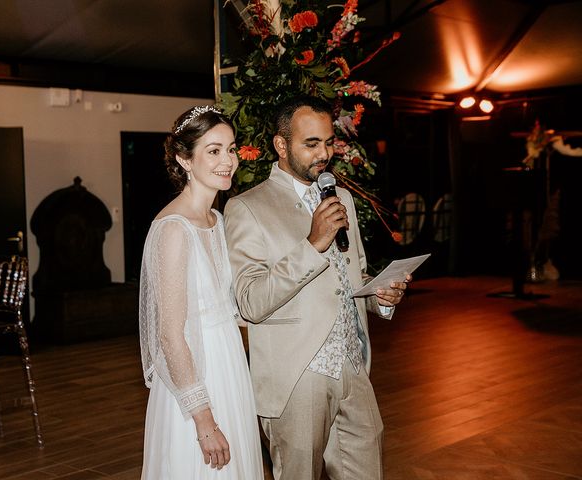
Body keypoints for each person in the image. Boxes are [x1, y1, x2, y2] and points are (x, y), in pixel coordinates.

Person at [223, 96, 409, 480]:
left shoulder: (342, 200)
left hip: (353, 367)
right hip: (296, 376)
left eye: (328, 142)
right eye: (311, 144)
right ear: (281, 145)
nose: (324, 154)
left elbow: (352, 276)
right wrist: (312, 245)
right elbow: (249, 302)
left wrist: (380, 297)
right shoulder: (247, 208)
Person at [139, 105, 264, 479]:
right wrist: (204, 420)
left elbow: (230, 305)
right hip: (197, 376)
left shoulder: (217, 220)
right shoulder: (173, 229)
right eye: (213, 150)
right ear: (184, 160)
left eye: (231, 148)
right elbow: (170, 335)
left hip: (230, 365)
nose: (228, 160)